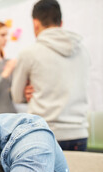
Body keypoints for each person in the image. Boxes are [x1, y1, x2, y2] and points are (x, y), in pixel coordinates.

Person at [11, 0, 90, 151]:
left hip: (44, 132)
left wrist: (26, 92)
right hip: (79, 133)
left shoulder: (29, 53)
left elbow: (17, 96)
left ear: (35, 23)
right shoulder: (83, 51)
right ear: (61, 22)